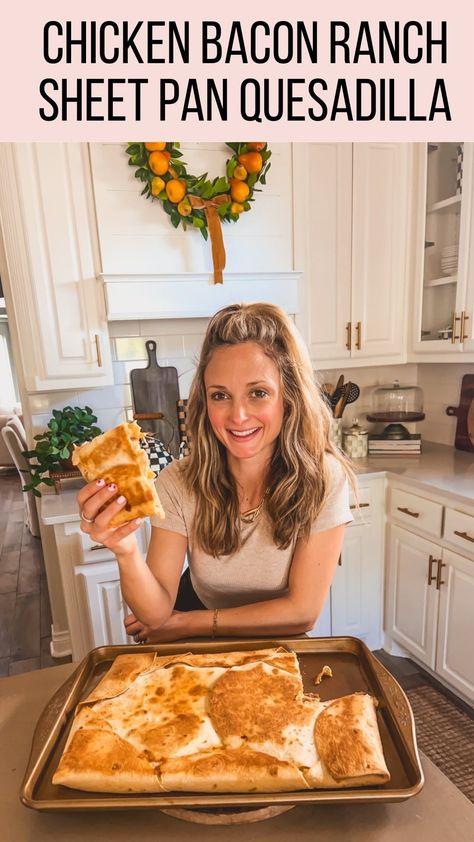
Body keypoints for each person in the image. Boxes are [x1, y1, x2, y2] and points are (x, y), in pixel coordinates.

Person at [77, 303, 355, 644]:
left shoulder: (324, 480)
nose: (237, 416)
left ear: (289, 398)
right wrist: (125, 549)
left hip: (278, 635)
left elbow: (302, 612)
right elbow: (155, 613)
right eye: (220, 395)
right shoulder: (177, 482)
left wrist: (188, 624)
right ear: (204, 404)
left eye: (258, 393)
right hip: (196, 623)